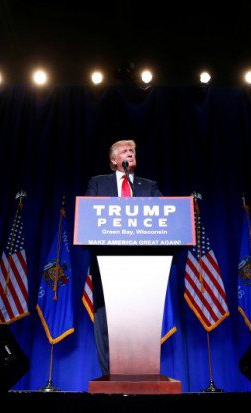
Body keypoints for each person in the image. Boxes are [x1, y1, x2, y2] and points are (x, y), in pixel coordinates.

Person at [85, 139, 162, 376]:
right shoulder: (98, 183)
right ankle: (109, 374)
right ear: (114, 160)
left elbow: (166, 215)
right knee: (106, 319)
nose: (130, 153)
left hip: (143, 263)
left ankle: (142, 373)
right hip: (107, 262)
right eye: (125, 151)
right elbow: (88, 215)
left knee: (140, 321)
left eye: (133, 150)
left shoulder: (148, 186)